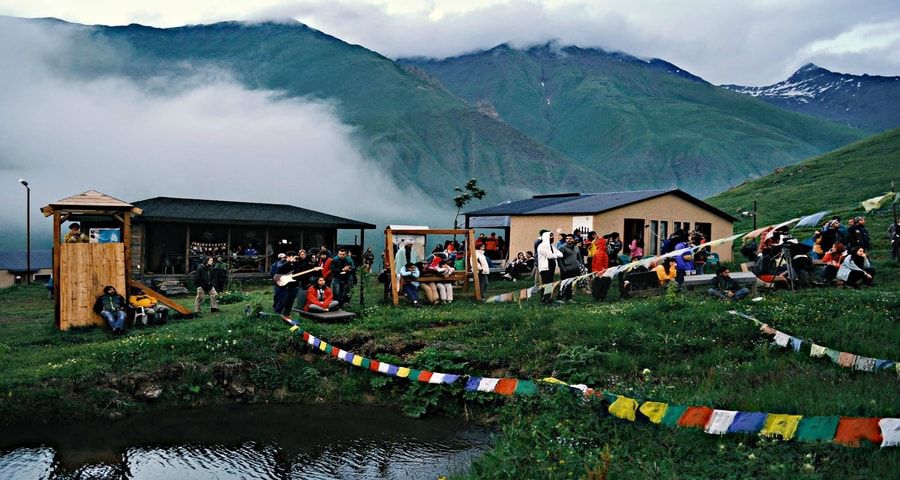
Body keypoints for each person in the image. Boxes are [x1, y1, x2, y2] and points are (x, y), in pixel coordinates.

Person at [537, 231, 563, 303]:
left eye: (552, 236)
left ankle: (548, 298)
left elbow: (561, 254)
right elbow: (550, 256)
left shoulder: (551, 246)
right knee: (546, 283)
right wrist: (555, 255)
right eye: (550, 236)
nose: (552, 238)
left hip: (551, 266)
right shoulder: (542, 246)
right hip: (545, 267)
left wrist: (554, 254)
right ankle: (545, 299)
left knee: (550, 283)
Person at [558, 234, 584, 302]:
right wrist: (563, 268)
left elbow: (579, 257)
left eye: (570, 238)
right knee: (564, 284)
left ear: (573, 239)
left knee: (571, 284)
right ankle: (560, 298)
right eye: (567, 238)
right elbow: (559, 260)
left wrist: (580, 265)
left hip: (575, 269)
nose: (568, 240)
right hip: (566, 269)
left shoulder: (576, 247)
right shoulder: (562, 248)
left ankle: (569, 298)